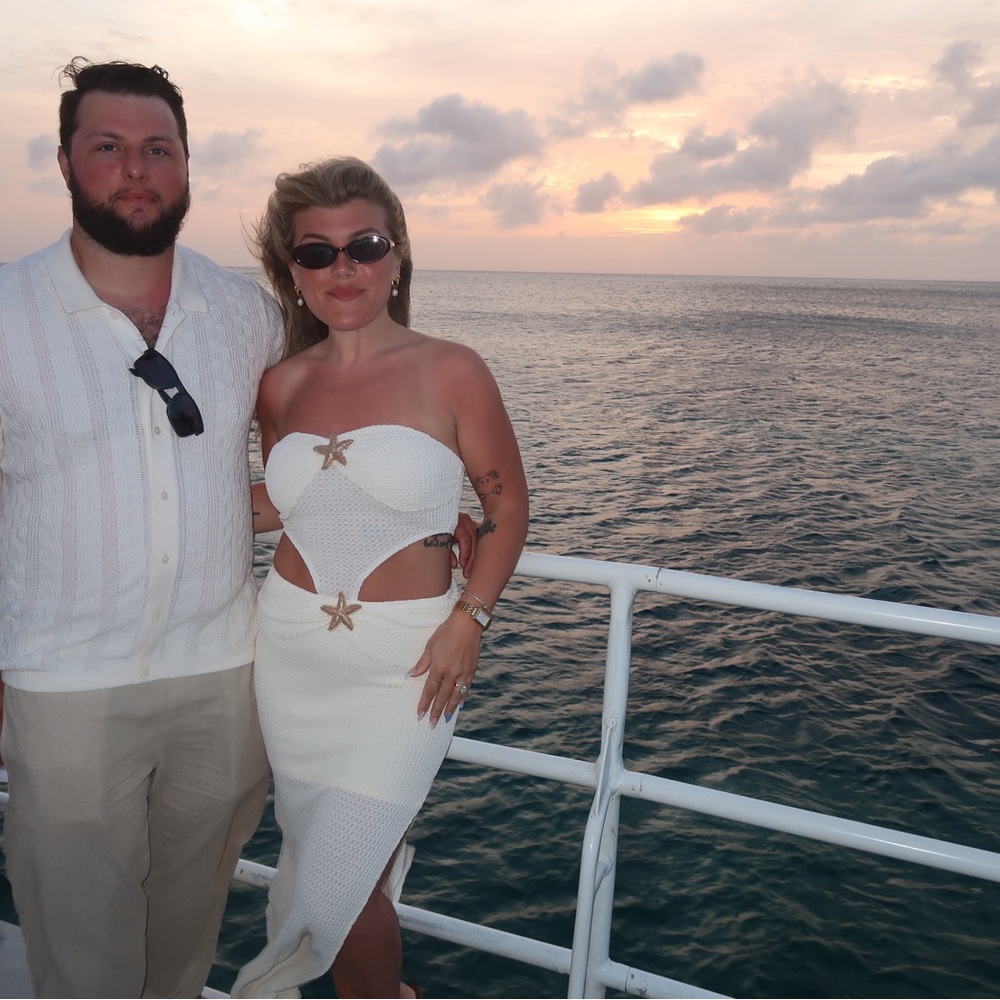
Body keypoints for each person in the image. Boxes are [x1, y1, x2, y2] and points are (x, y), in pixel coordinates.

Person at [0, 62, 477, 997]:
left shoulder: (247, 319)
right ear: (63, 162)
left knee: (185, 946)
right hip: (63, 683)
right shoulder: (7, 315)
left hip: (227, 675)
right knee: (83, 959)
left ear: (186, 167)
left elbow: (288, 466)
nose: (134, 169)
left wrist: (405, 509)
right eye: (107, 147)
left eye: (157, 149)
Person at [232, 157, 529, 998]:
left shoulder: (452, 369)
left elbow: (508, 510)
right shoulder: (280, 385)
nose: (343, 269)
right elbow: (296, 501)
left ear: (397, 256)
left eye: (362, 246)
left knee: (346, 872)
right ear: (292, 273)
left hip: (410, 662)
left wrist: (470, 617)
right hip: (289, 652)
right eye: (316, 253)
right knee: (329, 861)